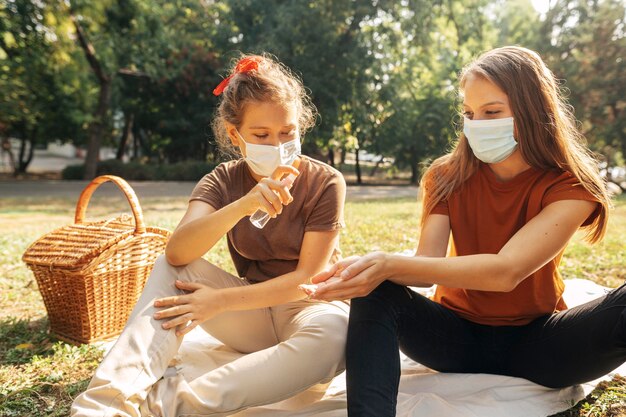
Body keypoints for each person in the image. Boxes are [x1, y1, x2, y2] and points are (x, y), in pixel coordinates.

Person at [304, 46, 622, 417]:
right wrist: (372, 270)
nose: (477, 124)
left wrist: (388, 263)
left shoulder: (570, 187)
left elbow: (507, 271)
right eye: (469, 113)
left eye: (492, 112)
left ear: (533, 112)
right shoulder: (445, 176)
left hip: (540, 346)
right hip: (453, 340)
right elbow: (426, 264)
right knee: (378, 292)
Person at [71, 54, 349, 417]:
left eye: (288, 133)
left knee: (336, 337)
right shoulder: (223, 180)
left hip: (311, 310)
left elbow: (306, 281)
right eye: (261, 135)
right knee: (173, 271)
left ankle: (170, 407)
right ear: (236, 135)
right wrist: (244, 205)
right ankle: (103, 406)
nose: (279, 145)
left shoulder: (325, 182)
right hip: (254, 316)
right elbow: (177, 252)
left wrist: (218, 302)